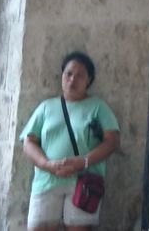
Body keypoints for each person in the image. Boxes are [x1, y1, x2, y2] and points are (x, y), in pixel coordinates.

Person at [20, 51, 121, 231]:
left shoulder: (98, 107)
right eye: (68, 74)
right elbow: (29, 142)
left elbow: (112, 141)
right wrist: (46, 164)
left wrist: (83, 162)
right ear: (62, 76)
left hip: (83, 183)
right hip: (46, 181)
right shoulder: (46, 107)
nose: (73, 79)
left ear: (89, 80)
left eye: (80, 76)